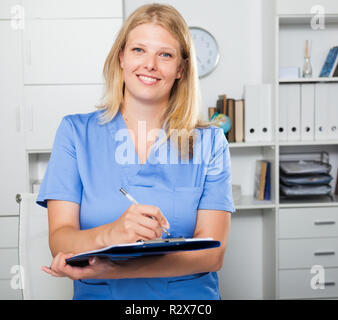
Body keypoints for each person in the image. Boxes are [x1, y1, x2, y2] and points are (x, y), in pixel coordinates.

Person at [37, 3, 235, 300]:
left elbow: (212, 254)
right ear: (121, 57)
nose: (150, 65)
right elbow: (60, 239)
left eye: (165, 55)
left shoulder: (210, 143)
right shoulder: (75, 133)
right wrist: (111, 233)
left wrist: (113, 269)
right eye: (138, 50)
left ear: (181, 69)